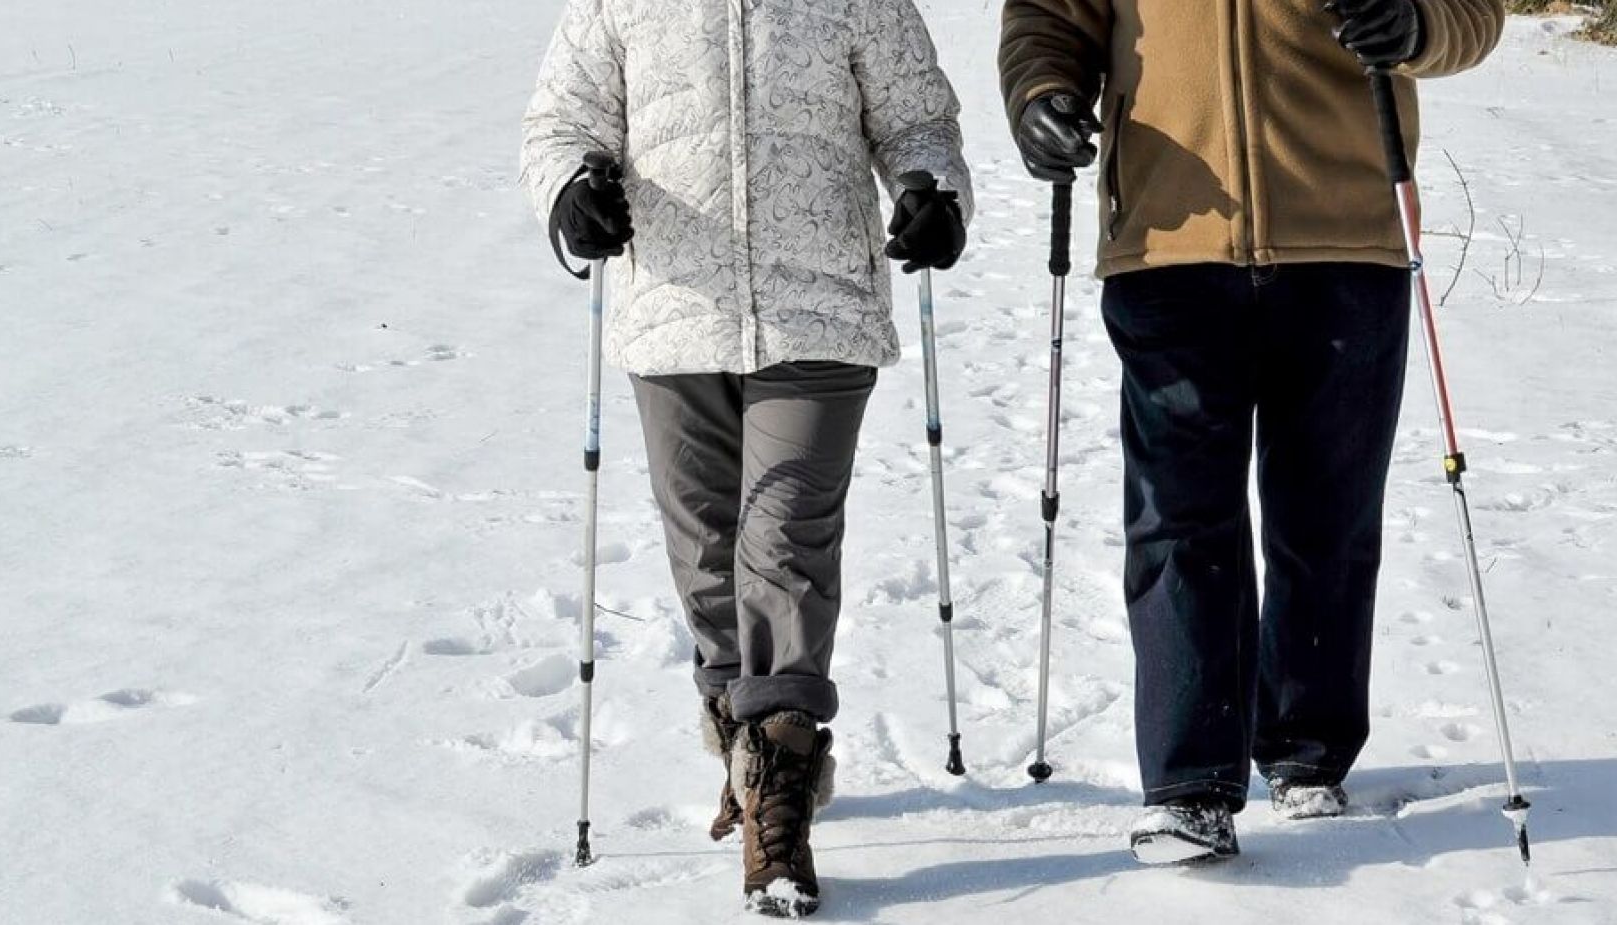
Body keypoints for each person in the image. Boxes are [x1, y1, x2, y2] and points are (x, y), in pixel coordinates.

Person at [998, 0, 1502, 863]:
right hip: (1171, 242)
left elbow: (1472, 12)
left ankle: (1307, 748)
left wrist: (1416, 25)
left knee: (1328, 518)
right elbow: (1049, 16)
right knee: (1179, 521)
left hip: (1345, 239)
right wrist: (1040, 93)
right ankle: (1189, 785)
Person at [521, 0, 972, 913]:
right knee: (706, 549)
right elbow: (562, 120)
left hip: (821, 311)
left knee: (787, 535)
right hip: (675, 315)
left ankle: (778, 789)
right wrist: (571, 188)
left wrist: (933, 189)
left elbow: (918, 114)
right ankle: (747, 740)